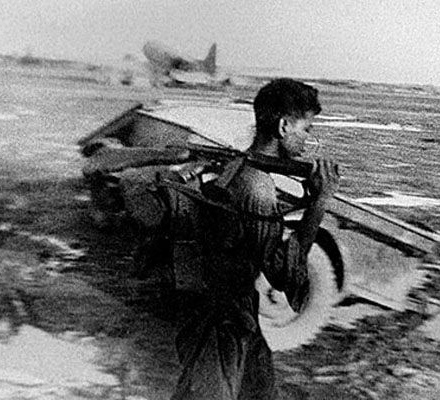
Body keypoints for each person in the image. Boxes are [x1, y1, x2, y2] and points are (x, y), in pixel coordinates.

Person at [125, 78, 339, 399]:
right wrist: (319, 204)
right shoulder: (258, 186)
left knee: (260, 392)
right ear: (283, 126)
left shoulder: (238, 164)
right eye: (306, 129)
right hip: (220, 320)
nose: (309, 140)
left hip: (232, 312)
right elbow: (283, 276)